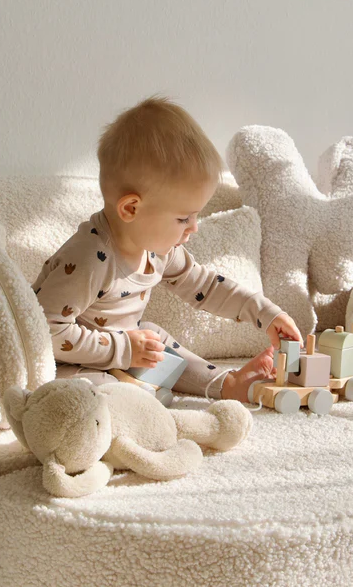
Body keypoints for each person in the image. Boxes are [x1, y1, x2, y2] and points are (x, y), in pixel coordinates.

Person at [33, 96, 301, 402]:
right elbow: (45, 332)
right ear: (131, 209)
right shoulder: (89, 260)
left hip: (122, 352)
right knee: (82, 389)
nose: (193, 227)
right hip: (66, 361)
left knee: (153, 338)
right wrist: (123, 350)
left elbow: (208, 287)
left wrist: (266, 314)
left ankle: (226, 385)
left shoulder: (159, 251)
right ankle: (133, 396)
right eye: (184, 218)